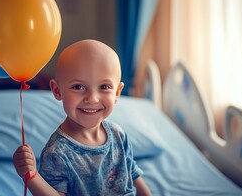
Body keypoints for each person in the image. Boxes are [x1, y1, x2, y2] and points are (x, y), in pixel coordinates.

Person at [13, 39, 151, 196]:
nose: (92, 98)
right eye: (78, 87)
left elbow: (132, 173)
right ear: (57, 91)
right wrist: (32, 176)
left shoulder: (118, 134)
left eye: (104, 87)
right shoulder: (57, 152)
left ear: (117, 93)